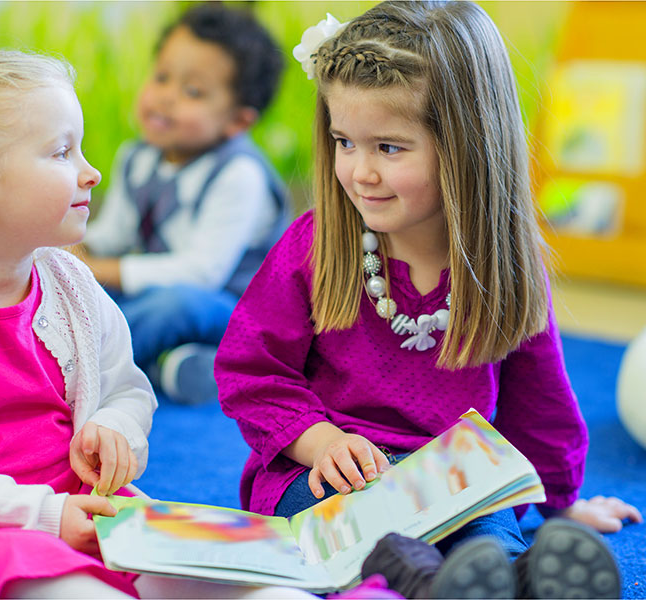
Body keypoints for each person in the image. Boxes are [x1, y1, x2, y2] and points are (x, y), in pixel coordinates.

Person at [0, 50, 316, 600]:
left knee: (266, 586)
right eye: (62, 152)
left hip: (93, 518)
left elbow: (127, 390)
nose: (91, 171)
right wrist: (45, 513)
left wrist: (116, 427)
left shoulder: (72, 282)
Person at [214, 2, 642, 598]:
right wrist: (323, 443)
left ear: (467, 143)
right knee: (346, 535)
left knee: (491, 536)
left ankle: (520, 578)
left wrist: (558, 503)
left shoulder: (507, 267)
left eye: (389, 148)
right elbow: (251, 370)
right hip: (324, 473)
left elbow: (539, 404)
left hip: (455, 481)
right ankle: (424, 581)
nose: (360, 172)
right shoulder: (314, 246)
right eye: (344, 141)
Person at [79, 3, 288, 405]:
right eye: (161, 78)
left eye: (192, 92)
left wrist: (98, 269)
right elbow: (116, 235)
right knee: (89, 291)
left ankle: (86, 369)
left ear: (238, 121)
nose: (166, 99)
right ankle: (176, 367)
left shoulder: (239, 174)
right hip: (163, 297)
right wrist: (75, 253)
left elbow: (200, 274)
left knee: (176, 303)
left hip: (231, 311)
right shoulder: (137, 156)